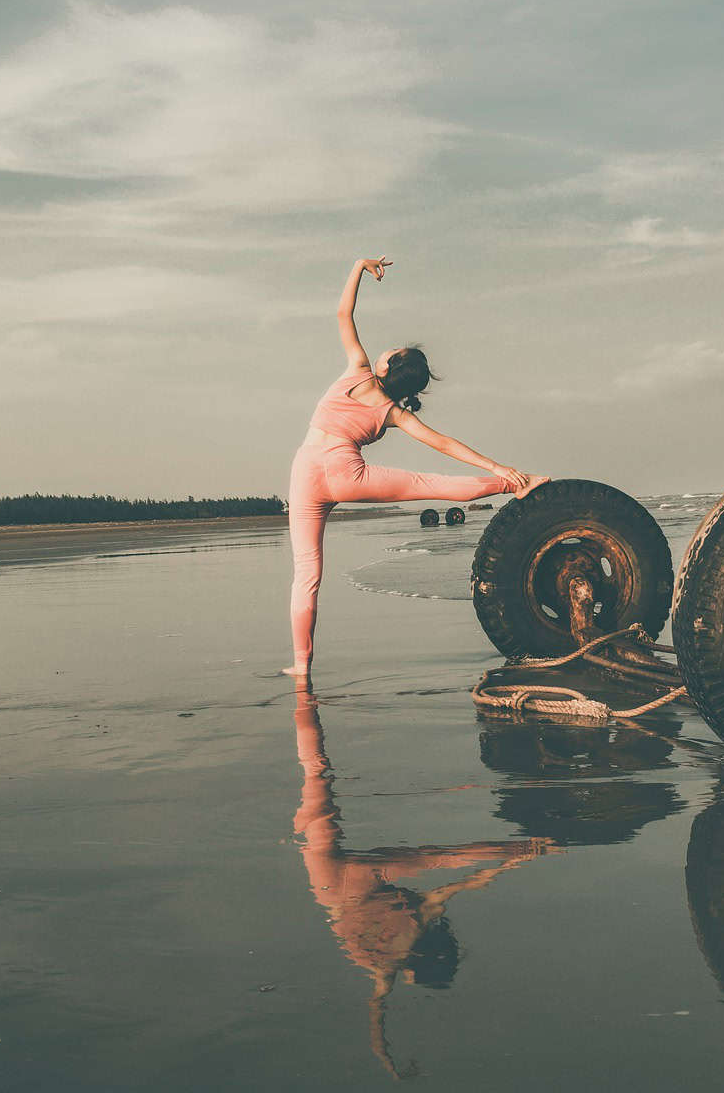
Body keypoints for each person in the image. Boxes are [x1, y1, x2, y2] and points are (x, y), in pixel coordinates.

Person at [288, 256, 547, 673]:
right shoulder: (395, 412)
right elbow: (443, 444)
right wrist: (499, 468)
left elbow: (343, 312)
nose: (386, 350)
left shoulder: (358, 368)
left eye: (391, 351)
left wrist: (359, 267)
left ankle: (301, 667)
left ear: (387, 365)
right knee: (432, 481)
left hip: (305, 473)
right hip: (346, 475)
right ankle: (518, 484)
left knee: (307, 575)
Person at [292, 680, 551, 1076]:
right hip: (327, 882)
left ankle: (302, 695)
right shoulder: (384, 970)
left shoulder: (416, 933)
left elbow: (466, 881)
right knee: (314, 780)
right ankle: (302, 704)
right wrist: (386, 1060)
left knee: (443, 858)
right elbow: (375, 1013)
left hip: (363, 878)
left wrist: (519, 856)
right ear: (418, 968)